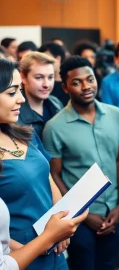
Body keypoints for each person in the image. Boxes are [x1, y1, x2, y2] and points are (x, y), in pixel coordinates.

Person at [43, 56, 119, 270]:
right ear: (65, 87)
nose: (86, 86)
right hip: (80, 220)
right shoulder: (55, 127)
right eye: (77, 82)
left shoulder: (115, 114)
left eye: (90, 79)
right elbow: (55, 175)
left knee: (111, 265)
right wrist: (82, 213)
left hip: (115, 212)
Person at [0, 58, 78, 270]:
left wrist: (62, 219)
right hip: (21, 254)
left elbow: (49, 177)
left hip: (54, 246)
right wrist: (42, 242)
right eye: (12, 92)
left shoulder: (24, 133)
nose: (21, 99)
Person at [1, 198, 88, 270]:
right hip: (25, 253)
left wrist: (64, 218)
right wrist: (46, 240)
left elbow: (49, 180)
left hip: (52, 246)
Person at [18, 52, 63, 140]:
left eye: (50, 77)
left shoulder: (56, 103)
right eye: (39, 77)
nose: (46, 84)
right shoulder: (14, 112)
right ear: (23, 78)